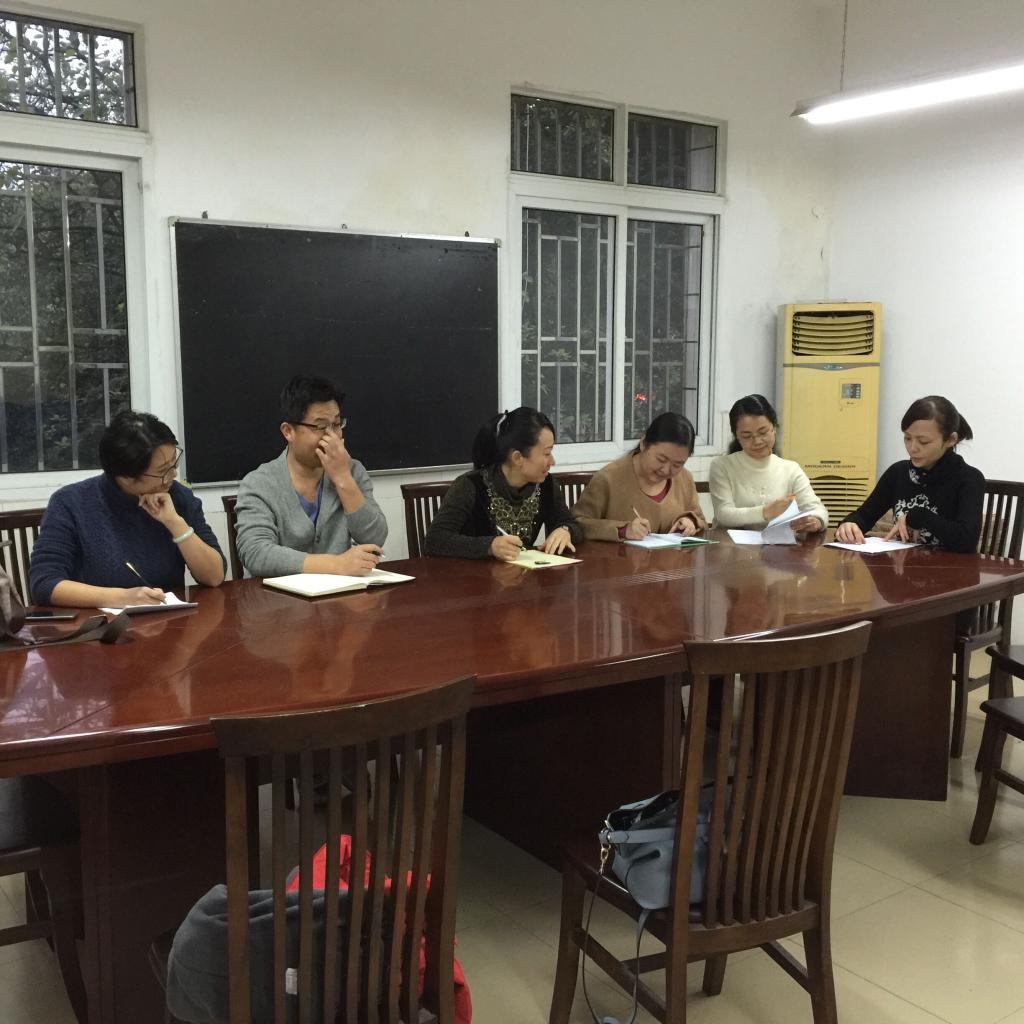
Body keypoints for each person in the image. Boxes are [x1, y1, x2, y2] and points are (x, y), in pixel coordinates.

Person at [30, 410, 225, 607]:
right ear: (126, 477)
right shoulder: (71, 503)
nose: (173, 475)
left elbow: (214, 577)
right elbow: (45, 583)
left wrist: (175, 523)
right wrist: (124, 598)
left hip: (168, 620)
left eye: (174, 463)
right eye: (163, 471)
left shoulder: (178, 497)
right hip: (100, 622)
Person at [235, 376, 387, 578]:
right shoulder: (259, 483)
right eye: (321, 427)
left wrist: (343, 478)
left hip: (341, 594)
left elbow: (375, 538)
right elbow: (256, 553)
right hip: (278, 596)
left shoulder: (352, 471)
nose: (333, 436)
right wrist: (335, 564)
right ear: (288, 431)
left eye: (337, 424)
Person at [423, 407, 582, 560]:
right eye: (547, 453)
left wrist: (565, 530)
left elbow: (571, 524)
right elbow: (435, 540)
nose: (552, 462)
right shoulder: (471, 485)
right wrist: (489, 546)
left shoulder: (546, 485)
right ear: (517, 458)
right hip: (472, 575)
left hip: (523, 574)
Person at [835, 396, 983, 551]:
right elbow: (865, 515)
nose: (912, 448)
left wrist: (919, 516)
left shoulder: (968, 478)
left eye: (923, 441)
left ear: (950, 439)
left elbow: (967, 540)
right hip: (903, 563)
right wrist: (850, 525)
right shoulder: (898, 473)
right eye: (907, 438)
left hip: (950, 565)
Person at [572, 412, 707, 541]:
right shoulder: (608, 478)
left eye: (677, 465)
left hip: (674, 557)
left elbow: (700, 521)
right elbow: (578, 523)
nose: (666, 470)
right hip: (619, 557)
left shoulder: (684, 479)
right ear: (643, 444)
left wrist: (690, 522)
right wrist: (623, 530)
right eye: (661, 459)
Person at [709, 394, 828, 533]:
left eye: (763, 432)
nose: (757, 441)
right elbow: (723, 514)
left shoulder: (790, 469)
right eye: (747, 436)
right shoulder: (722, 466)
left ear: (774, 428)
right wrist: (765, 512)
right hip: (730, 544)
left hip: (777, 544)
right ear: (737, 437)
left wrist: (816, 520)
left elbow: (818, 509)